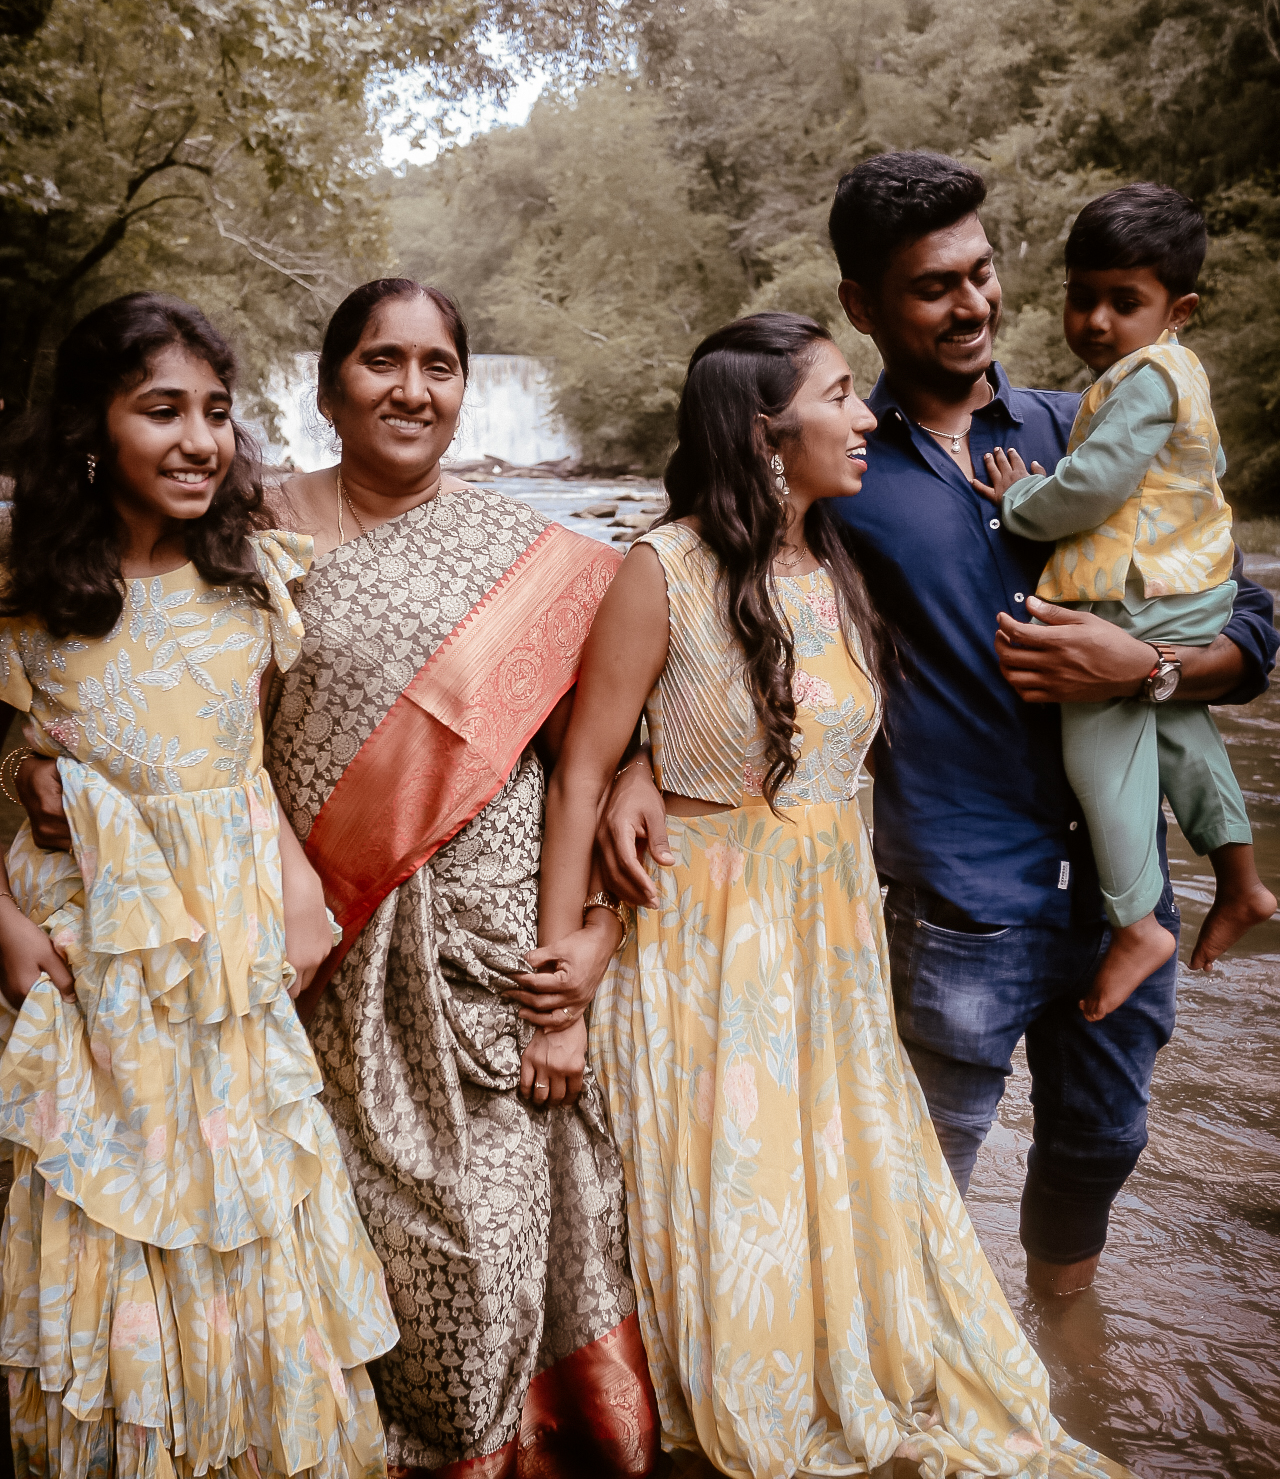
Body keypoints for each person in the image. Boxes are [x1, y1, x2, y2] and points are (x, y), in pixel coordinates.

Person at [598, 153, 1277, 1300]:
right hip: (950, 899)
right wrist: (629, 758)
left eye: (981, 273)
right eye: (931, 287)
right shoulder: (838, 464)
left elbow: (1247, 625)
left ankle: (1067, 1359)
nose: (970, 305)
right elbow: (686, 590)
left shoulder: (1096, 423)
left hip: (1122, 895)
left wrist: (1145, 664)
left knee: (1097, 1153)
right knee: (915, 1180)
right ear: (863, 306)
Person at [537, 311, 1132, 1476]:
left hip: (829, 933)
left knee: (836, 1199)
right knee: (735, 1202)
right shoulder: (664, 568)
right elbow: (576, 777)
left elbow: (800, 732)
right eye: (841, 395)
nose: (867, 418)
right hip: (708, 945)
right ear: (765, 432)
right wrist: (558, 988)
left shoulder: (837, 562)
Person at [263, 280, 659, 1476]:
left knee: (483, 1243)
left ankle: (498, 1452)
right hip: (306, 948)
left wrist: (592, 934)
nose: (411, 389)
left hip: (489, 961)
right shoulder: (248, 536)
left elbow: (599, 759)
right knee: (328, 1242)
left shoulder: (537, 565)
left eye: (437, 366)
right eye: (382, 362)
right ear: (331, 386)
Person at [0, 293, 397, 1476]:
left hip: (226, 967)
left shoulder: (250, 585)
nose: (198, 440)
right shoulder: (25, 604)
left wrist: (298, 896)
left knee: (239, 1205)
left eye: (217, 412)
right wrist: (6, 928)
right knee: (105, 1209)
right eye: (160, 409)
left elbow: (249, 768)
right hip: (89, 970)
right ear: (91, 428)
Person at [972, 184, 1275, 1021]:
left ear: (1177, 310)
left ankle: (1138, 922)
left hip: (1146, 595)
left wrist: (1020, 502)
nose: (1097, 320)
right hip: (1192, 586)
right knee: (1177, 723)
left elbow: (1094, 486)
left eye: (1124, 302)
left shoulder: (1141, 379)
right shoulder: (1176, 370)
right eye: (1082, 297)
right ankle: (1242, 881)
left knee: (1097, 736)